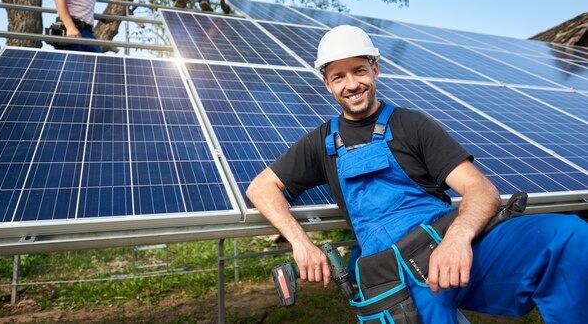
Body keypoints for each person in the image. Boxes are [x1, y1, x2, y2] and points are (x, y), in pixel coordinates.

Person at [246, 25, 588, 323]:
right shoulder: (320, 142)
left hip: (452, 246)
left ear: (375, 70)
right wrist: (301, 243)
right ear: (327, 83)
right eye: (339, 76)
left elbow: (480, 189)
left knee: (568, 236)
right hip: (395, 271)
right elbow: (262, 187)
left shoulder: (412, 124)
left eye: (359, 70)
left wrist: (458, 239)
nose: (352, 84)